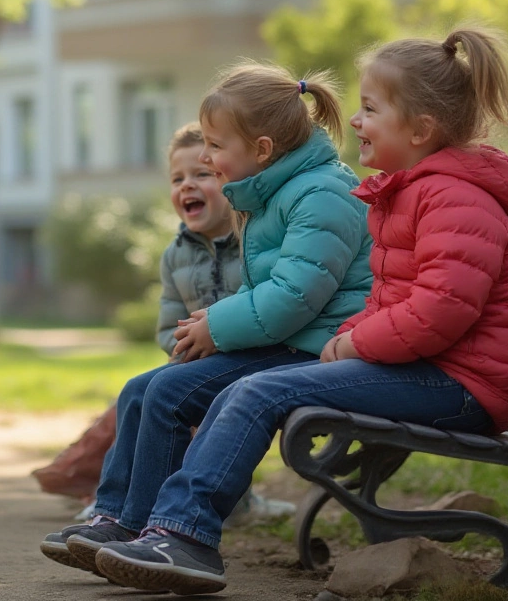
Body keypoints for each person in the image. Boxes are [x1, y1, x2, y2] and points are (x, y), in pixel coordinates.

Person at [92, 28, 508, 596]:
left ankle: (185, 534)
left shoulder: (454, 198)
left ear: (421, 130)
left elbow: (440, 312)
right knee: (250, 389)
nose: (356, 120)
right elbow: (396, 302)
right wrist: (354, 334)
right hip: (436, 371)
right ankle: (167, 529)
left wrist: (354, 344)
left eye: (371, 108)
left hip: (464, 385)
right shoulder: (412, 192)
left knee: (258, 391)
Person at [42, 64, 374, 574]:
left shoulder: (322, 194)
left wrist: (216, 325)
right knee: (141, 388)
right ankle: (122, 520)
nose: (208, 158)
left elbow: (291, 298)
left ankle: (184, 534)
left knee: (171, 394)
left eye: (216, 147)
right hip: (290, 340)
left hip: (314, 347)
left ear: (261, 150)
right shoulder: (277, 194)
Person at [33, 123, 293, 524]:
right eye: (177, 178)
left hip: (253, 358)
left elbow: (271, 303)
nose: (187, 185)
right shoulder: (175, 255)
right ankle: (112, 507)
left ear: (231, 179)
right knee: (139, 392)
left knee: (167, 397)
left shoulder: (254, 239)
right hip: (195, 360)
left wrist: (221, 337)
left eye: (202, 174)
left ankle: (178, 507)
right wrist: (182, 345)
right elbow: (167, 324)